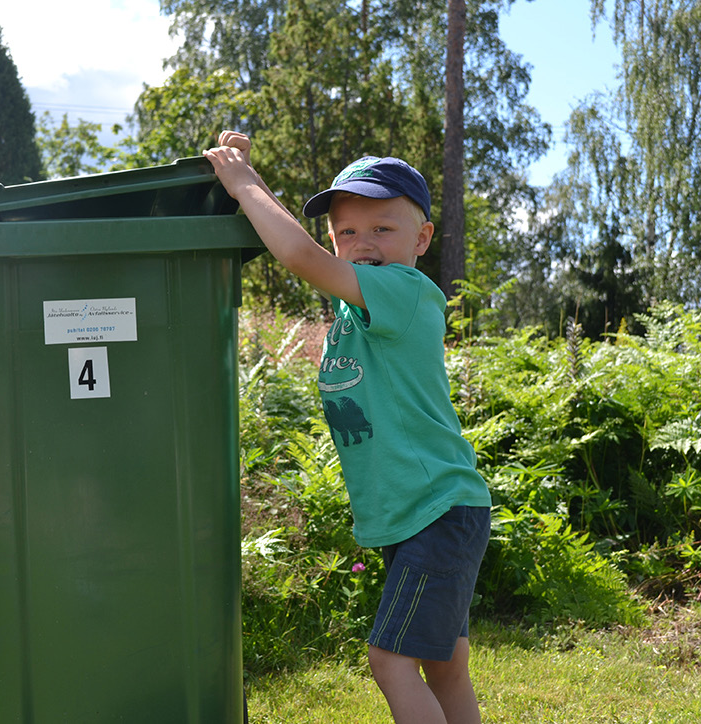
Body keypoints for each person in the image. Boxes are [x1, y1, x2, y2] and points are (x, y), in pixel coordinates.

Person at [204, 131, 491, 724]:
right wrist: (246, 191)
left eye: (382, 228)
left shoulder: (405, 292)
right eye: (346, 232)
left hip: (436, 511)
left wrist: (245, 185)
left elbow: (300, 257)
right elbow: (305, 252)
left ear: (422, 238)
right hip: (422, 515)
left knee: (390, 663)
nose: (361, 244)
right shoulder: (355, 307)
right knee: (446, 667)